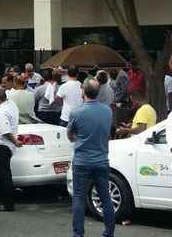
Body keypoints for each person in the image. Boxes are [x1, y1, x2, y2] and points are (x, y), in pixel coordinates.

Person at [67, 78, 114, 237]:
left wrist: (77, 138)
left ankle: (78, 234)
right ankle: (109, 233)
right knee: (105, 197)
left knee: (79, 198)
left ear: (84, 92)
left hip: (82, 161)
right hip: (101, 160)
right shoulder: (107, 110)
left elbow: (70, 135)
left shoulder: (77, 112)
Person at [0, 88, 21, 212]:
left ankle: (7, 203)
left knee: (3, 175)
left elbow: (5, 131)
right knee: (3, 173)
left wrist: (15, 141)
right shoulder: (11, 105)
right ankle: (5, 201)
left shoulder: (2, 112)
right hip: (3, 145)